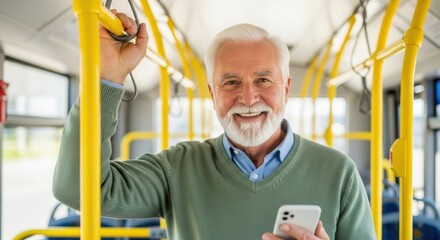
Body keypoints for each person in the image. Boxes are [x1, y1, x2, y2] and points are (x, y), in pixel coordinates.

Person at [53, 11, 376, 240]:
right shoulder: (177, 169)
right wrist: (106, 78)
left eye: (263, 80)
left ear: (286, 88)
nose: (248, 98)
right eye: (231, 83)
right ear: (211, 93)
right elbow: (77, 188)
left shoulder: (338, 173)